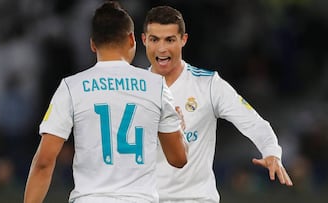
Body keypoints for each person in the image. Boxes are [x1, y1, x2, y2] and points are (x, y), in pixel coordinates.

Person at [24, 2, 188, 203]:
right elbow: (178, 159)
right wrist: (180, 129)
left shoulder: (71, 87)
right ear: (131, 39)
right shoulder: (157, 86)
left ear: (93, 44)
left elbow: (44, 162)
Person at [141, 5, 293, 203]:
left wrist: (271, 151)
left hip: (196, 198)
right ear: (144, 40)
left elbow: (253, 122)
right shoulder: (133, 89)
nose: (161, 48)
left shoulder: (209, 85)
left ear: (183, 40)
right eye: (154, 40)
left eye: (170, 40)